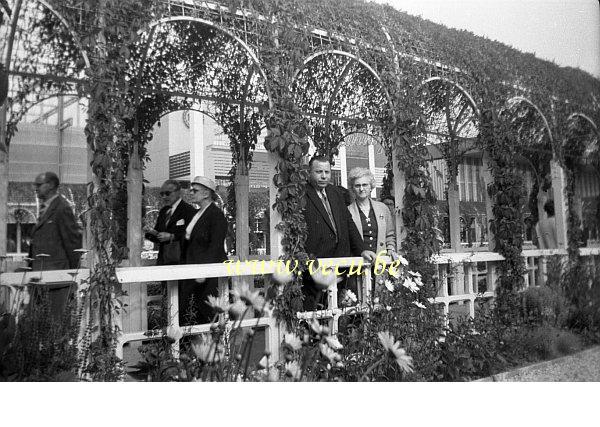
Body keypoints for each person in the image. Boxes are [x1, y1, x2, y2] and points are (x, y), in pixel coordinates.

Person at [301, 156, 376, 311]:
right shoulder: (301, 194)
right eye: (319, 172)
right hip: (316, 267)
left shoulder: (336, 193)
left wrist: (362, 249)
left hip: (340, 264)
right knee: (317, 314)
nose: (324, 176)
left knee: (342, 312)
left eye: (327, 172)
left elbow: (349, 223)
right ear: (309, 173)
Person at [29, 171, 82, 320]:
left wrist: (71, 275)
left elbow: (73, 244)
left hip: (57, 282)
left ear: (51, 185)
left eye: (39, 185)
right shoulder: (45, 208)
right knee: (39, 327)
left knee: (56, 326)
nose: (36, 188)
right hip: (40, 279)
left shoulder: (62, 208)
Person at [181, 176, 228, 325]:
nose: (191, 193)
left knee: (208, 313)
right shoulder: (197, 213)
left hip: (207, 275)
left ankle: (215, 346)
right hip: (193, 270)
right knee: (189, 312)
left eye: (195, 190)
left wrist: (205, 271)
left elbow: (216, 245)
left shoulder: (216, 215)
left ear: (206, 193)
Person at [347, 167, 398, 259]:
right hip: (358, 264)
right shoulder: (347, 211)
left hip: (381, 261)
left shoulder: (383, 208)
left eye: (365, 185)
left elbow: (390, 235)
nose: (361, 189)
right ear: (352, 188)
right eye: (357, 185)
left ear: (371, 187)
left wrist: (390, 249)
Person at [144, 180, 196, 266]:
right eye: (162, 194)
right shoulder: (163, 211)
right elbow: (158, 236)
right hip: (163, 261)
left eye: (167, 193)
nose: (164, 197)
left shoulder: (189, 211)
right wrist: (149, 231)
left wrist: (172, 236)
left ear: (178, 192)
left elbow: (193, 235)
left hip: (181, 263)